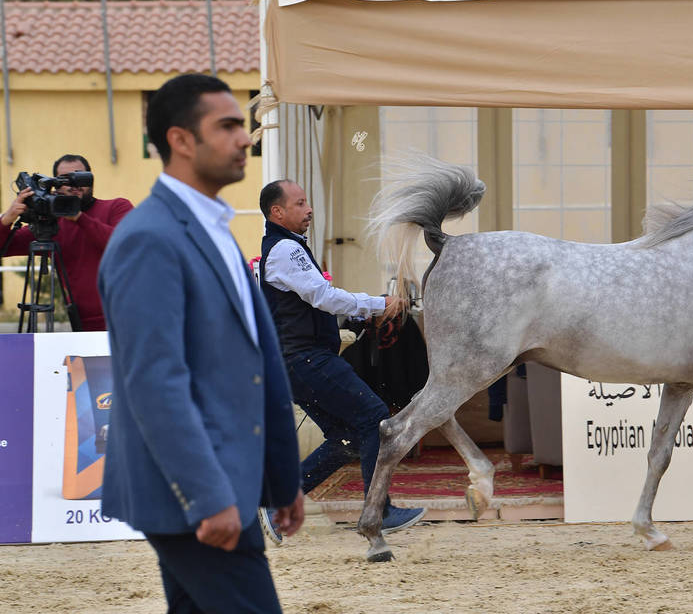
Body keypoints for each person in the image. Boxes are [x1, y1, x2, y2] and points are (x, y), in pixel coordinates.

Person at [97, 74, 303, 613]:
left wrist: (282, 481)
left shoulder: (215, 228)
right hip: (193, 496)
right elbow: (155, 382)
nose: (246, 138)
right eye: (229, 125)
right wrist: (206, 495)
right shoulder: (148, 237)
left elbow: (259, 367)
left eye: (244, 124)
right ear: (181, 140)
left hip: (225, 487)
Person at [257, 178, 425, 542]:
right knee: (375, 418)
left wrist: (362, 314)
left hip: (295, 361)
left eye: (307, 202)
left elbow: (314, 304)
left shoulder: (285, 248)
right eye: (300, 203)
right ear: (278, 212)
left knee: (347, 436)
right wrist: (379, 304)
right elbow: (324, 297)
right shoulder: (286, 250)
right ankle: (378, 511)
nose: (309, 208)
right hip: (303, 358)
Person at [0, 154, 133, 330]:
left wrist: (79, 218)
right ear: (55, 185)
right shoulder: (50, 224)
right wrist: (7, 218)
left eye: (79, 177)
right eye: (65, 179)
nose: (73, 185)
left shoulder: (117, 207)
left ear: (90, 179)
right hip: (82, 325)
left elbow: (123, 246)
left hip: (128, 318)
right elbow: (5, 247)